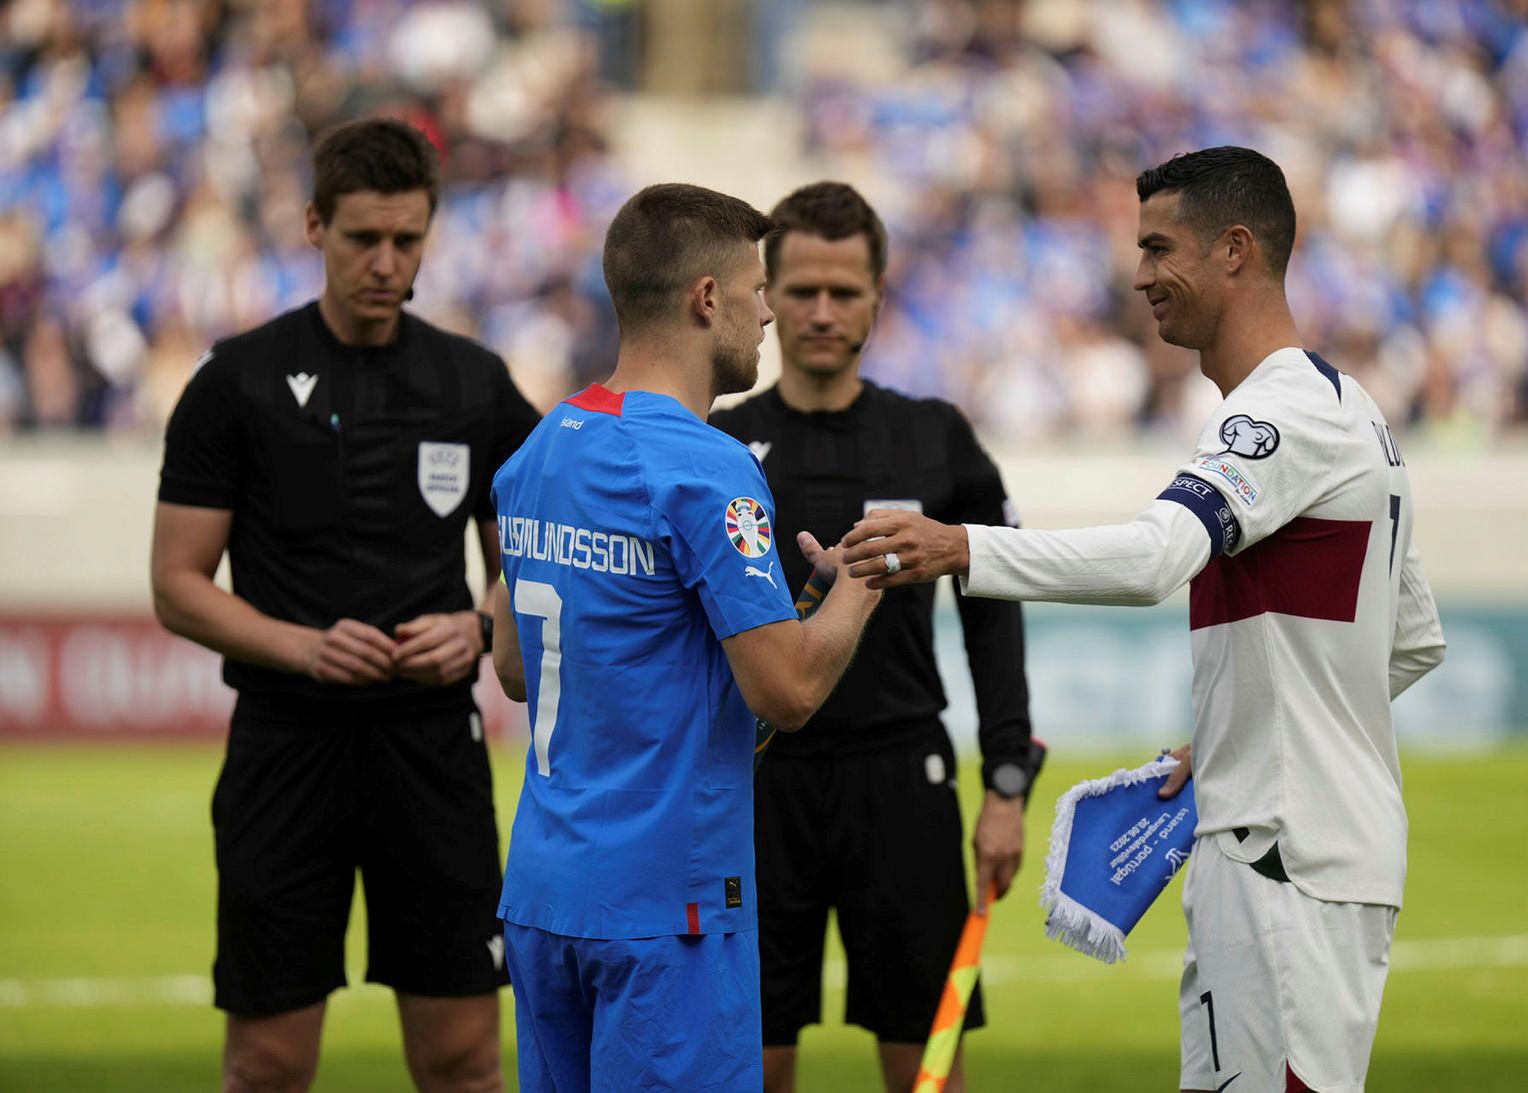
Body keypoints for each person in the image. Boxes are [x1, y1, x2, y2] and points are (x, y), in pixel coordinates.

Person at [840, 147, 1447, 1093]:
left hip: (1286, 855)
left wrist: (967, 548)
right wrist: (1234, 733)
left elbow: (1161, 553)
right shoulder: (1349, 409)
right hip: (1286, 845)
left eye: (1160, 248)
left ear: (1236, 250)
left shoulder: (1283, 411)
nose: (1139, 276)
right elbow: (1409, 637)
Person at [151, 117, 539, 1093]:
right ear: (314, 224)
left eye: (407, 240)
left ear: (430, 234)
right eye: (362, 237)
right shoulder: (234, 380)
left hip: (430, 749)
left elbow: (531, 561)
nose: (385, 261)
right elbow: (177, 583)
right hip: (286, 747)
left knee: (461, 1060)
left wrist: (481, 626)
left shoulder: (472, 382)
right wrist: (305, 647)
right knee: (267, 1064)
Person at [487, 182, 882, 1092]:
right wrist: (858, 588)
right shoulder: (710, 464)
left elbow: (514, 667)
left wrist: (768, 612)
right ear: (708, 298)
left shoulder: (542, 446)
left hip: (548, 891)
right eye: (756, 292)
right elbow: (786, 691)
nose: (768, 317)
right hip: (670, 902)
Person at [709, 181, 1036, 1093]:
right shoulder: (719, 441)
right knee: (753, 1065)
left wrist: (1006, 782)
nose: (821, 310)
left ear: (878, 295)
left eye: (844, 291)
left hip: (905, 781)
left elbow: (994, 614)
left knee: (925, 1071)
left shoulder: (934, 436)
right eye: (801, 289)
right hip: (756, 782)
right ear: (766, 294)